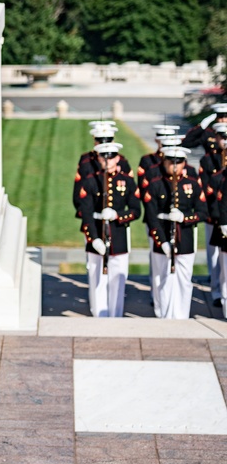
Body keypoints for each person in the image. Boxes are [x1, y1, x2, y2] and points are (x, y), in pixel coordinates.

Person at [76, 142, 141, 317]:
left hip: (118, 236)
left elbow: (136, 211)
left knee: (118, 281)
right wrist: (94, 238)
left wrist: (118, 215)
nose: (107, 161)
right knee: (97, 279)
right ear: (98, 159)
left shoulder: (126, 181)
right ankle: (100, 315)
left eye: (111, 157)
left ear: (117, 158)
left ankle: (116, 315)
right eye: (103, 157)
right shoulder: (90, 182)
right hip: (96, 235)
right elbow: (86, 214)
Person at [143, 145, 207, 319]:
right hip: (162, 237)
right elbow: (151, 216)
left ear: (184, 164)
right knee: (162, 278)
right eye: (171, 162)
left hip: (185, 238)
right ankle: (163, 314)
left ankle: (181, 315)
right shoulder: (156, 185)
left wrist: (184, 218)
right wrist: (161, 241)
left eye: (179, 163)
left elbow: (202, 212)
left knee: (184, 279)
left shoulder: (192, 185)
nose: (175, 166)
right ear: (165, 163)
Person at [200, 123, 227, 308]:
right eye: (222, 137)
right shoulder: (208, 160)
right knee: (217, 259)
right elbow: (209, 190)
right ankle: (217, 292)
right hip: (215, 216)